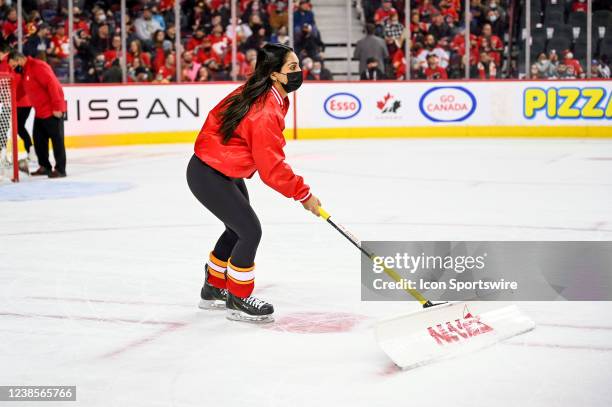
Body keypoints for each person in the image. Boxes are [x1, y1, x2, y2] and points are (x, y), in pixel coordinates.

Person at [187, 43, 320, 323]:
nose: (299, 72)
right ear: (274, 74)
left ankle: (213, 289)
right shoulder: (265, 110)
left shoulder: (266, 94)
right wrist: (303, 194)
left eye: (298, 65)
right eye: (292, 68)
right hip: (209, 172)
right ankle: (238, 298)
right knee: (250, 231)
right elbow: (271, 167)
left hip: (223, 168)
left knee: (237, 230)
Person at [8, 51, 67, 178]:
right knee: (39, 140)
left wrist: (57, 107)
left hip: (52, 110)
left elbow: (53, 85)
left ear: (19, 59)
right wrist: (8, 98)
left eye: (13, 66)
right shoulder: (24, 72)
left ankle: (60, 169)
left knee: (57, 141)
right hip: (39, 112)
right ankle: (45, 166)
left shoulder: (37, 66)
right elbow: (21, 91)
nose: (13, 69)